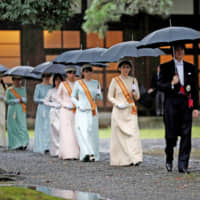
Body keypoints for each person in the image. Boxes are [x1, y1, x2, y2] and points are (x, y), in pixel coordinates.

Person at [158, 43, 199, 173]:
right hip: (171, 103)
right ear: (173, 52)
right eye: (177, 50)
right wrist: (171, 83)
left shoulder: (190, 67)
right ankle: (169, 158)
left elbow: (194, 89)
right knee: (171, 135)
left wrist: (196, 107)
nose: (180, 52)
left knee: (186, 134)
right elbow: (159, 85)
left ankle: (183, 165)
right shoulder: (165, 67)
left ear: (184, 52)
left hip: (186, 103)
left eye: (182, 50)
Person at [107, 58, 143, 166]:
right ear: (119, 68)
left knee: (133, 134)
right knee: (119, 137)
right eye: (123, 67)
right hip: (119, 111)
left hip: (130, 110)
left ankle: (135, 158)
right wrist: (117, 103)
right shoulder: (115, 80)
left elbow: (137, 97)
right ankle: (121, 160)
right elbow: (109, 96)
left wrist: (135, 92)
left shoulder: (133, 80)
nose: (126, 69)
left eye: (127, 67)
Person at [71, 64, 102, 162]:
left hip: (91, 110)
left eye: (89, 71)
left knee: (92, 133)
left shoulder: (96, 83)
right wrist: (78, 104)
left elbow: (100, 98)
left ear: (92, 72)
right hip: (81, 110)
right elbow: (72, 97)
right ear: (82, 72)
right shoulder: (78, 83)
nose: (88, 73)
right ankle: (86, 153)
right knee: (82, 132)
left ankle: (94, 154)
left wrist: (99, 93)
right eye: (86, 71)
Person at [57, 66, 80, 160]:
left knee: (75, 131)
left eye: (74, 73)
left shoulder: (78, 83)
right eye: (70, 73)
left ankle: (75, 152)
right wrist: (64, 104)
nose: (72, 75)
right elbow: (58, 97)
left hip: (75, 109)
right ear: (67, 74)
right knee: (66, 131)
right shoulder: (63, 84)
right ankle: (67, 153)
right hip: (65, 110)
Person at [5, 76, 29, 150]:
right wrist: (15, 100)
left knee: (22, 126)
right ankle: (15, 144)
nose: (17, 81)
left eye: (19, 80)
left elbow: (26, 100)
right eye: (15, 80)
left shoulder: (23, 89)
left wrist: (23, 99)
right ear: (13, 80)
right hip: (12, 109)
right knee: (13, 127)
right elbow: (6, 100)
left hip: (21, 109)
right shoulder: (9, 90)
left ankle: (24, 143)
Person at [44, 73, 63, 157]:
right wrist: (53, 104)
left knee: (61, 130)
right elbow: (45, 101)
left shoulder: (64, 90)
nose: (58, 82)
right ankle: (55, 150)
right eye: (56, 80)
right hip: (54, 112)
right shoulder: (51, 91)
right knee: (54, 130)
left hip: (62, 111)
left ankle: (62, 150)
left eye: (59, 80)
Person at [33, 73, 52, 153]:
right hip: (42, 108)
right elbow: (35, 98)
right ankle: (41, 146)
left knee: (49, 127)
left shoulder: (51, 87)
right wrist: (43, 100)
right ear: (42, 77)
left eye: (48, 76)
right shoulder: (38, 86)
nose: (46, 78)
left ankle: (48, 146)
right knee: (41, 127)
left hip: (50, 108)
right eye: (45, 76)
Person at [0, 77, 7, 147]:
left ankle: (1, 142)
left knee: (2, 123)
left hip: (2, 105)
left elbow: (7, 97)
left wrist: (3, 98)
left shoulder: (4, 86)